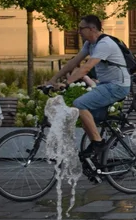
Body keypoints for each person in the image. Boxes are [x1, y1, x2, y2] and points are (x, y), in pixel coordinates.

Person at [45, 15, 131, 163]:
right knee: (86, 114)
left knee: (80, 104)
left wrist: (67, 83)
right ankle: (98, 150)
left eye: (81, 28)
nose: (78, 31)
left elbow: (86, 67)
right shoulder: (89, 44)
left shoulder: (104, 43)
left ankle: (98, 143)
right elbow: (74, 63)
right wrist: (53, 80)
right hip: (105, 85)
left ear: (92, 29)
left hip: (117, 86)